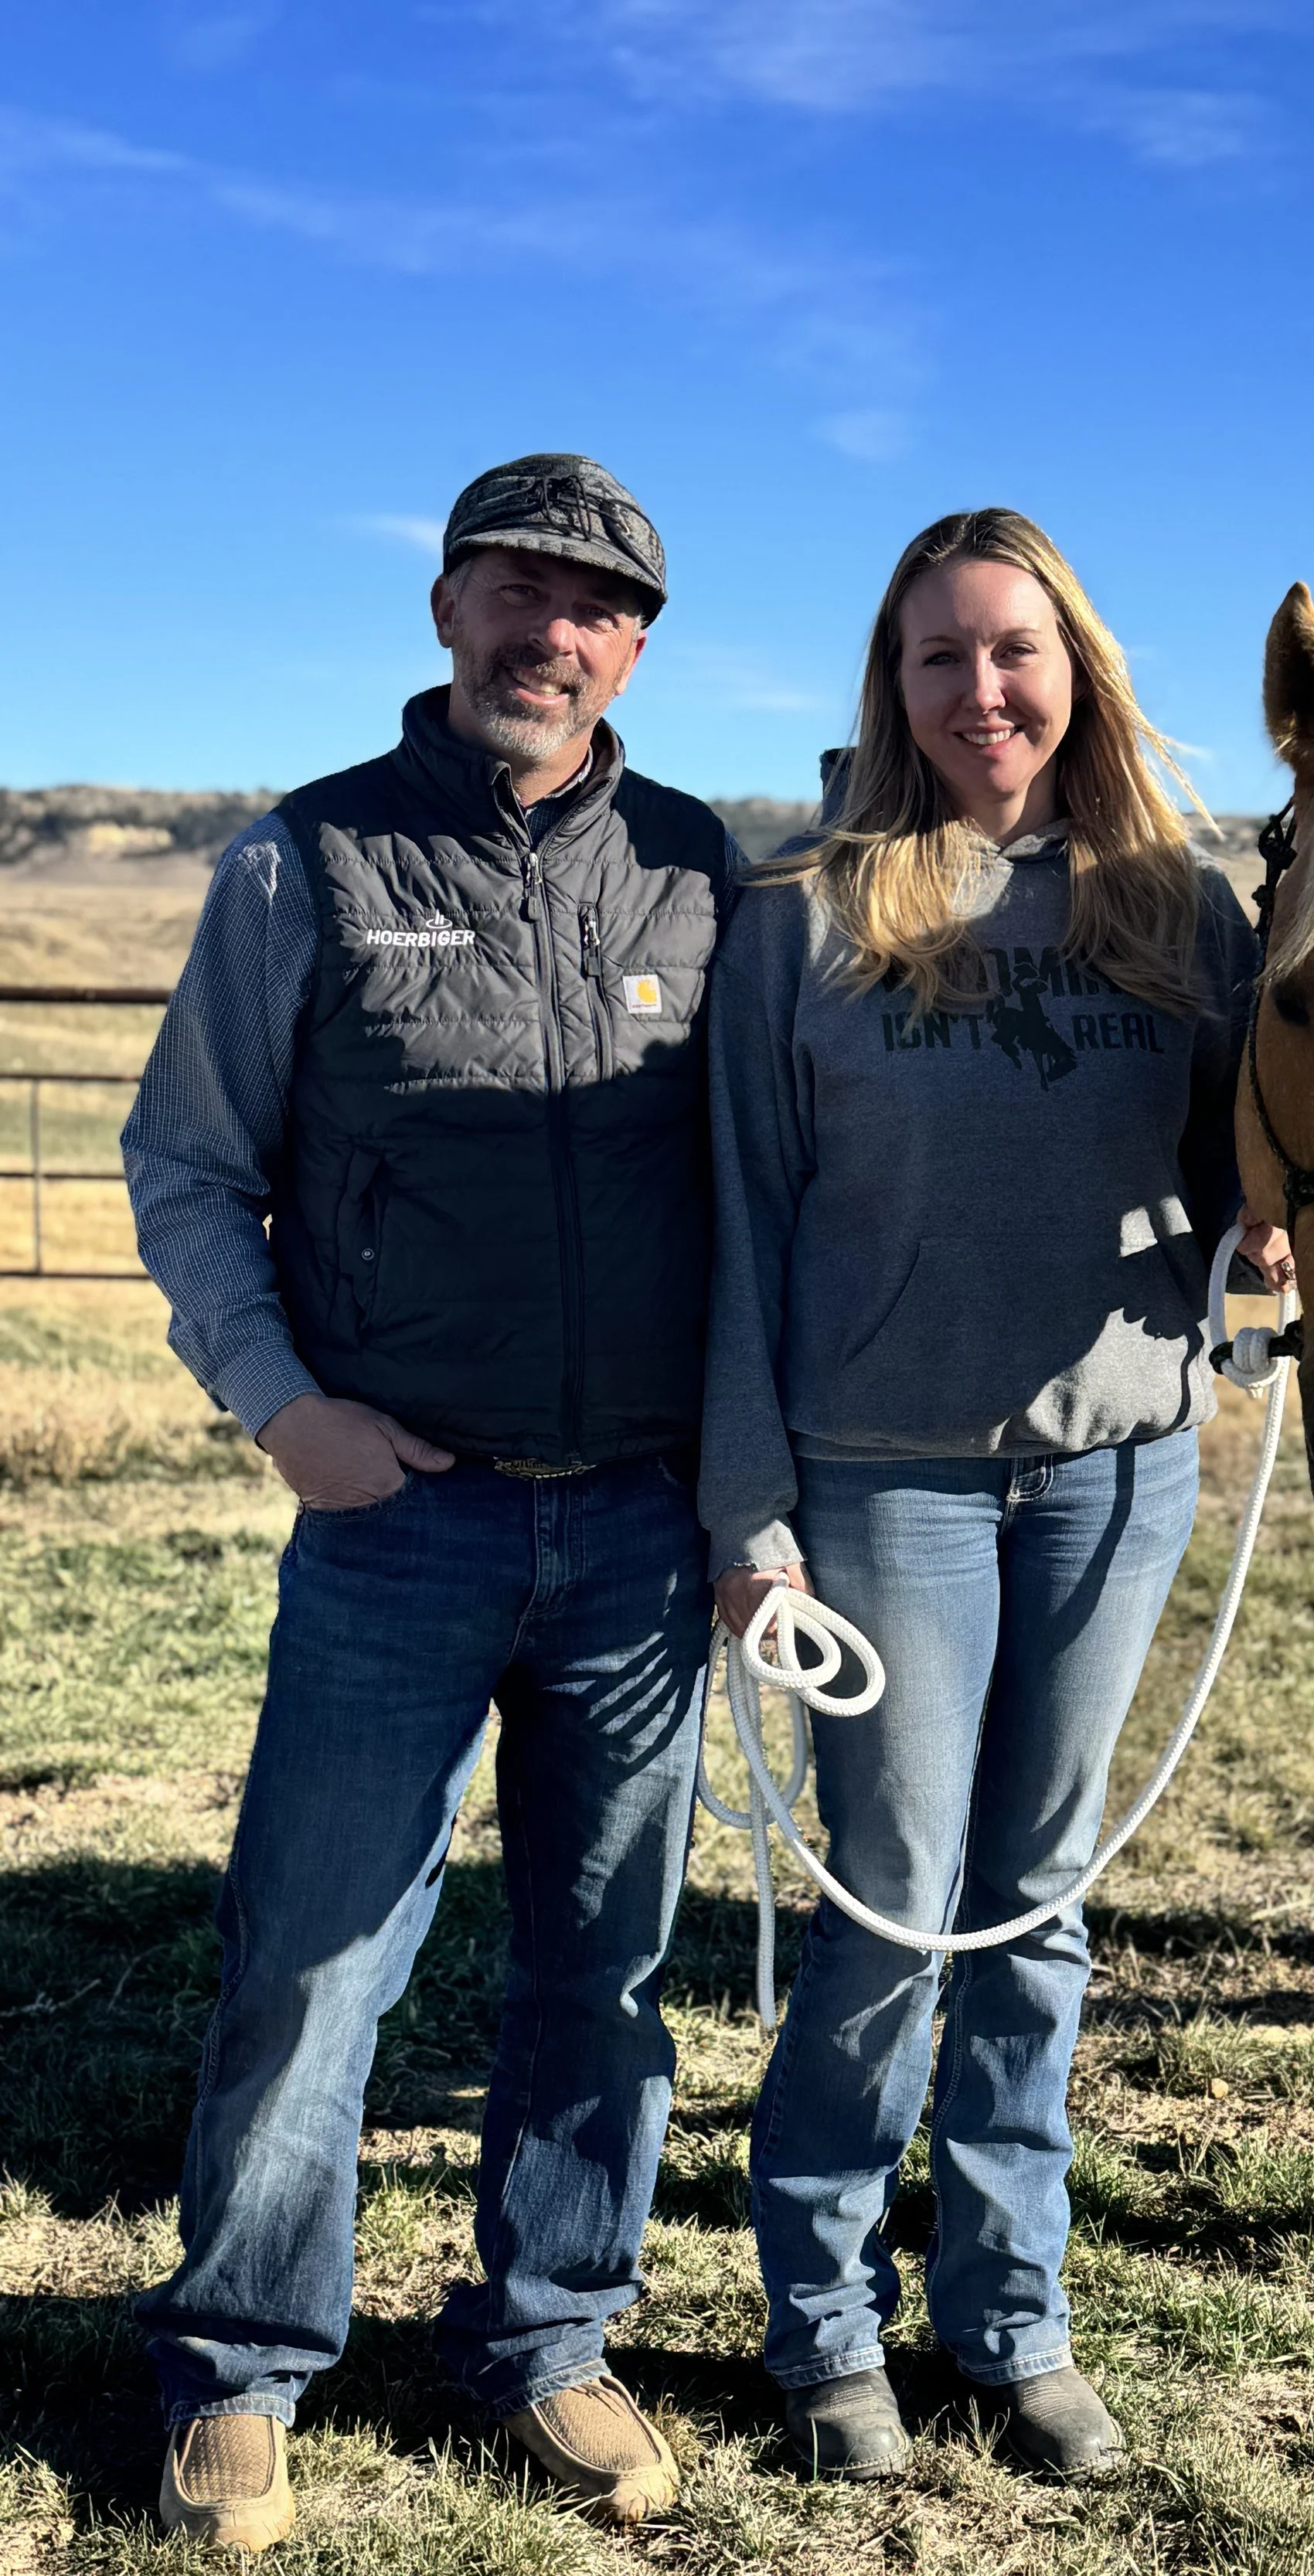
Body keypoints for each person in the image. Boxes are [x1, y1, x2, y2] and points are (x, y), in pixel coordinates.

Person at [121, 454, 734, 2550]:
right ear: (445, 602)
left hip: (640, 1532)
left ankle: (547, 2339)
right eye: (512, 584)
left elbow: (782, 1193)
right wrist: (280, 1402)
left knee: (599, 1965)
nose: (545, 631)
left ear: (633, 645)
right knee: (312, 1957)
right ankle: (241, 2367)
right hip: (399, 1516)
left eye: (592, 603)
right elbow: (191, 1161)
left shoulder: (701, 875)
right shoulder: (304, 865)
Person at [701, 507, 1292, 2480]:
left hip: (1121, 1469)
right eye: (939, 656)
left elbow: (1247, 1172)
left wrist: (1270, 1249)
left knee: (1038, 1912)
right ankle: (820, 2325)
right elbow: (736, 1225)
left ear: (1076, 665)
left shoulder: (1178, 912)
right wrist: (746, 1507)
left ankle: (1010, 2315)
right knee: (890, 1918)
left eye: (1013, 651)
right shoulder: (802, 912)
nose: (980, 692)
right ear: (893, 681)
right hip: (881, 1483)